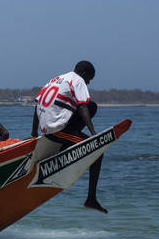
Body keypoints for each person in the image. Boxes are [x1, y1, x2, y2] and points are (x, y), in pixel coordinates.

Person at [31, 60, 108, 214]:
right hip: (58, 131)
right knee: (97, 151)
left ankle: (66, 143)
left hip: (47, 129)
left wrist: (34, 134)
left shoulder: (57, 79)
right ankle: (91, 199)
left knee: (91, 106)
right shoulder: (78, 80)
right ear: (84, 74)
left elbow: (38, 105)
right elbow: (82, 107)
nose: (88, 82)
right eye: (89, 79)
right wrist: (94, 135)